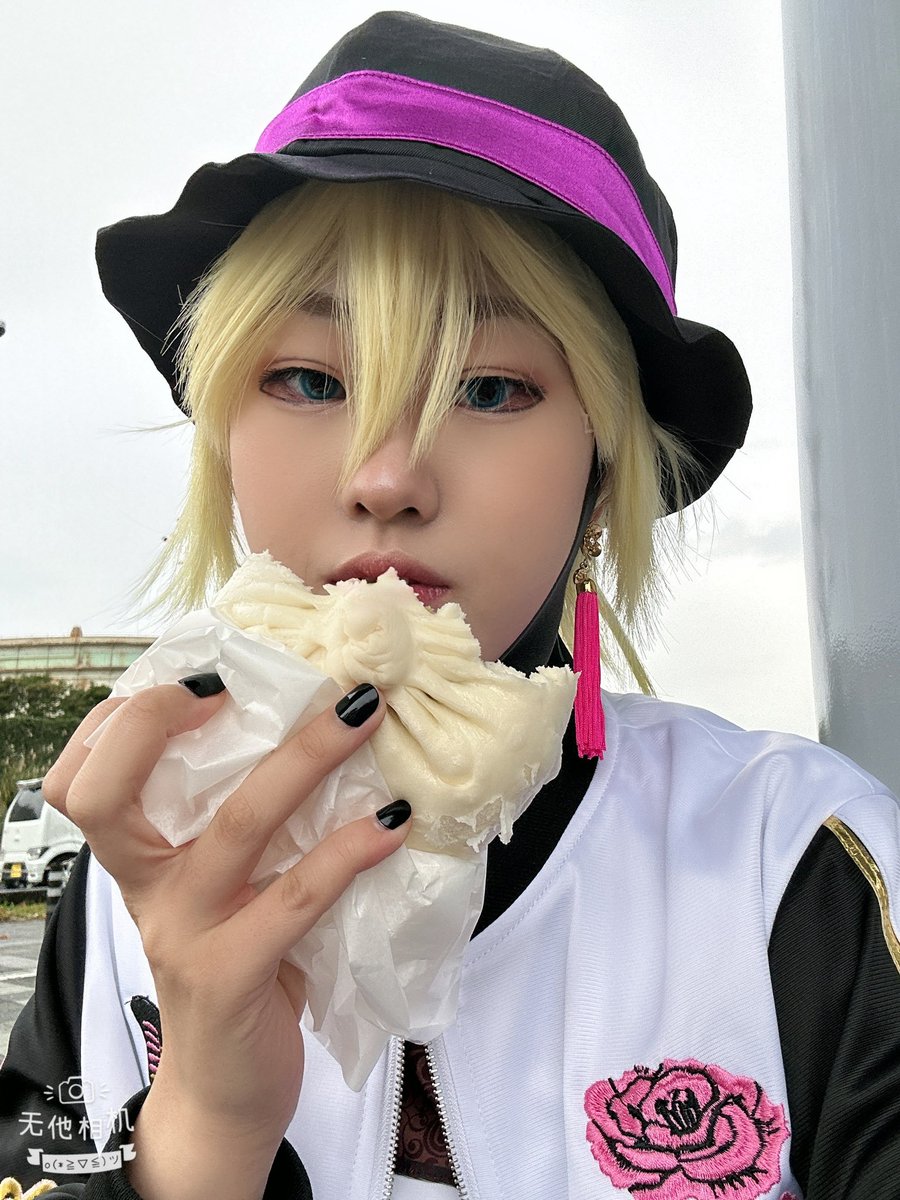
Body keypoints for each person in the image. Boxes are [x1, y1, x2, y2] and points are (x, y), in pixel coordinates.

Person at [2, 12, 899, 1200]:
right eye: (308, 378)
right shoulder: (135, 886)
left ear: (603, 474)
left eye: (489, 389)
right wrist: (207, 1128)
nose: (387, 478)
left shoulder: (795, 865)